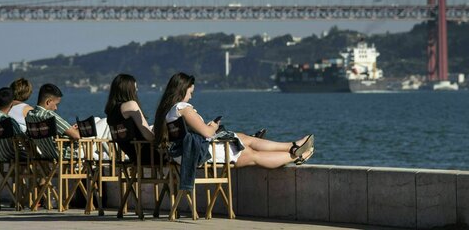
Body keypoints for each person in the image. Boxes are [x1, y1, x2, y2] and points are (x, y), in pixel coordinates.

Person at [154, 72, 315, 170]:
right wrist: (213, 126)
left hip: (182, 155)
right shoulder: (183, 107)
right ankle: (295, 154)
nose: (191, 96)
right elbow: (206, 133)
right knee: (251, 154)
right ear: (182, 91)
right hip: (196, 155)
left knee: (244, 139)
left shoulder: (167, 112)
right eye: (190, 92)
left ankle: (293, 147)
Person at [104, 74, 155, 163]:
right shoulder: (131, 105)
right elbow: (149, 136)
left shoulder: (111, 111)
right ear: (128, 90)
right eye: (135, 88)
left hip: (133, 156)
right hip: (147, 155)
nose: (137, 90)